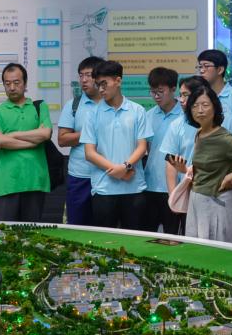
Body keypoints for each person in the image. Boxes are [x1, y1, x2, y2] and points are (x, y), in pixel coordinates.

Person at [184, 84, 232, 243]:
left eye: (205, 105)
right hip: (197, 201)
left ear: (215, 107)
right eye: (195, 106)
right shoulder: (199, 133)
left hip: (216, 204)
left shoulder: (224, 138)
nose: (200, 110)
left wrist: (230, 177)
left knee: (215, 251)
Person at [79, 60, 153, 230]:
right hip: (104, 189)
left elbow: (142, 147)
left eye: (104, 84)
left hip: (134, 188)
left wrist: (125, 167)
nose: (101, 89)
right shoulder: (92, 114)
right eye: (98, 85)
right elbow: (89, 153)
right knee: (105, 242)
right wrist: (118, 171)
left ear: (118, 81)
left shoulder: (137, 110)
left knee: (135, 241)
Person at [0, 63, 53, 222]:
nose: (12, 87)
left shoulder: (39, 107)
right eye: (7, 83)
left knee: (30, 233)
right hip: (6, 184)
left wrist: (14, 135)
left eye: (16, 82)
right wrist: (33, 142)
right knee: (2, 233)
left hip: (34, 181)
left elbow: (45, 133)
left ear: (25, 83)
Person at [56, 56, 104, 226]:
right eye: (81, 75)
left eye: (88, 75)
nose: (84, 80)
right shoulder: (73, 104)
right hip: (80, 176)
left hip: (108, 175)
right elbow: (62, 139)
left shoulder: (112, 103)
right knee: (77, 226)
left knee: (106, 227)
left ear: (100, 77)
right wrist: (88, 133)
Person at [159, 76, 207, 233]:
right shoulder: (177, 125)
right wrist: (174, 197)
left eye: (185, 95)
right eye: (180, 95)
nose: (181, 99)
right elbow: (170, 162)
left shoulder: (223, 121)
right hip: (186, 193)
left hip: (212, 193)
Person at [143, 67, 184, 235]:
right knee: (148, 237)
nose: (156, 96)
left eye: (160, 91)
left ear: (173, 89)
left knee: (172, 237)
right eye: (153, 92)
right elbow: (146, 148)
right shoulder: (148, 115)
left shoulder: (185, 115)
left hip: (176, 186)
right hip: (150, 184)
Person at [197, 49, 232, 137]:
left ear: (220, 70)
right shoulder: (200, 96)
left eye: (206, 66)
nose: (202, 70)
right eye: (200, 67)